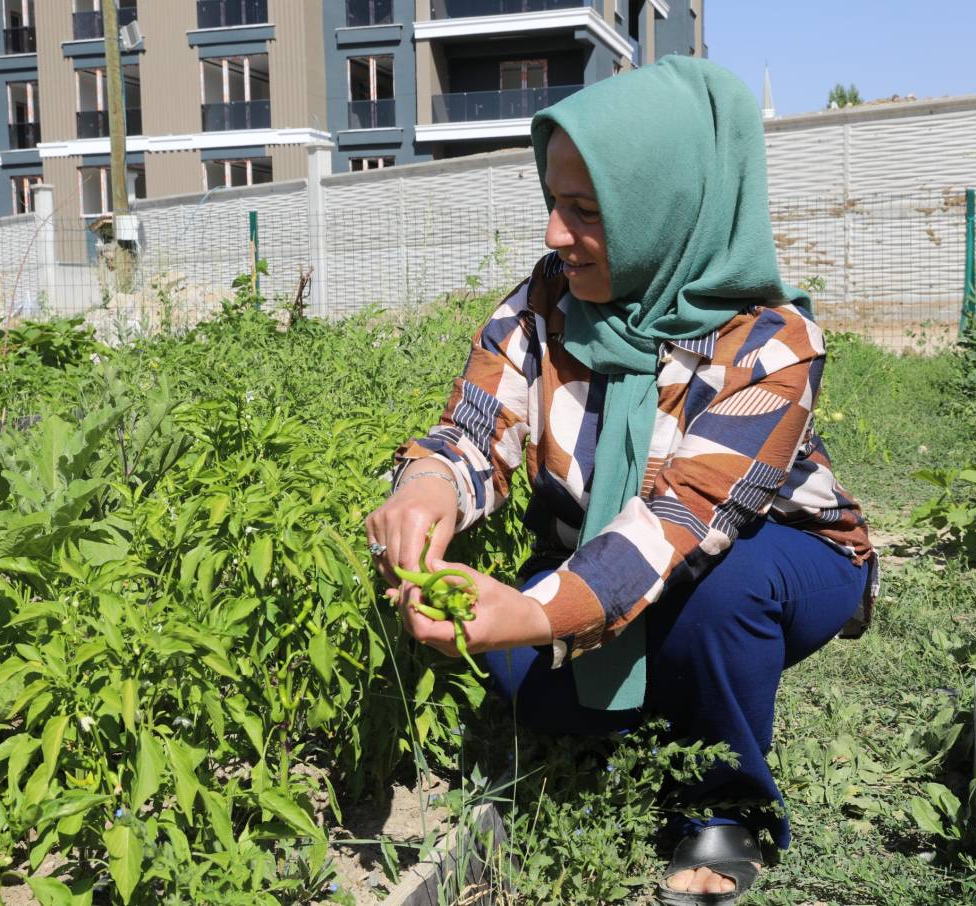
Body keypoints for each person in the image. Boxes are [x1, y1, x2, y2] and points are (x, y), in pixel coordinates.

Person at [365, 56, 876, 904]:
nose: (556, 236)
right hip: (621, 555)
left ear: (665, 209)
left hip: (772, 556)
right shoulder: (545, 303)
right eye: (553, 203)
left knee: (714, 603)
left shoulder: (768, 345)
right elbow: (475, 429)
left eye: (586, 211)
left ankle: (722, 810)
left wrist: (532, 611)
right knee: (535, 684)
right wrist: (427, 487)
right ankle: (649, 709)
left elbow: (679, 520)